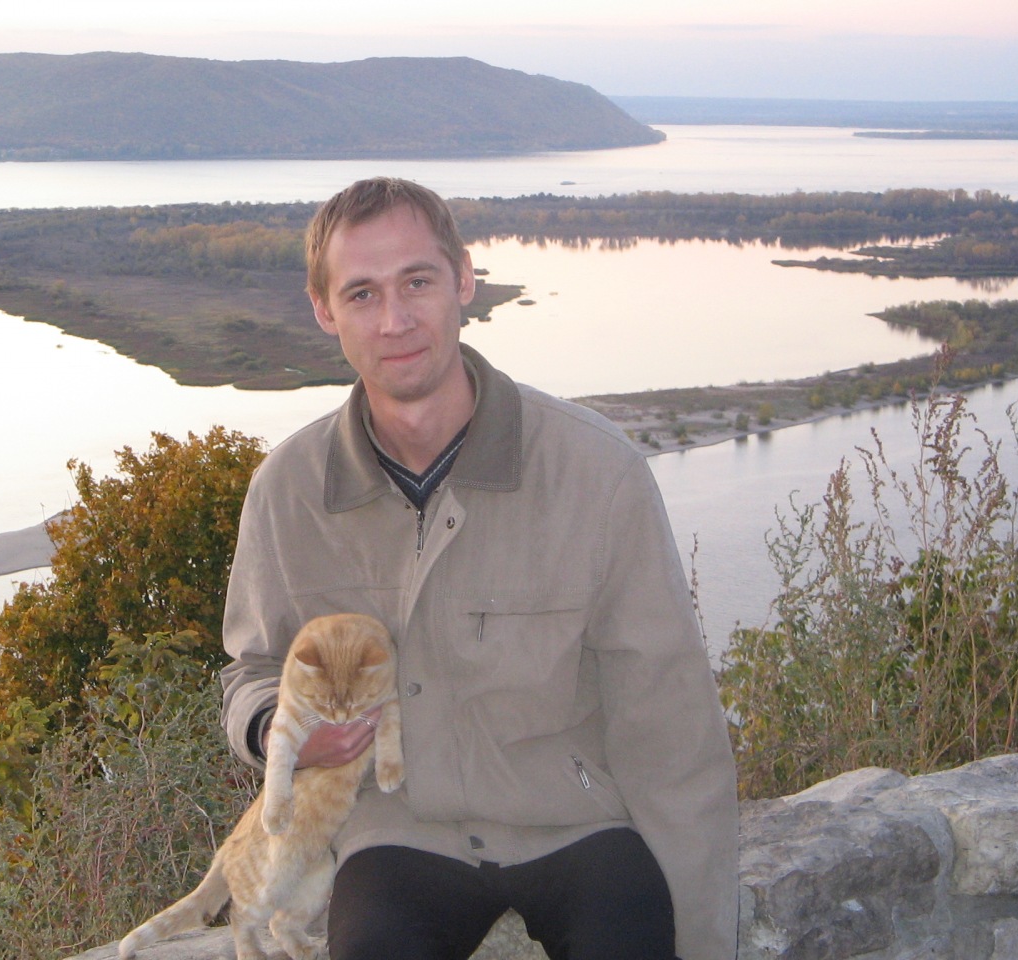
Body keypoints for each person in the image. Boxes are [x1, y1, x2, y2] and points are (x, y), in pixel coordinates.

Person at [219, 177, 738, 960]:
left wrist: (701, 939)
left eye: (417, 282)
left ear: (464, 278)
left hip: (578, 820)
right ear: (324, 310)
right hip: (395, 832)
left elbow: (671, 729)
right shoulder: (289, 491)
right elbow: (252, 669)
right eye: (362, 293)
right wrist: (278, 730)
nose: (394, 320)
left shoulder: (595, 471)